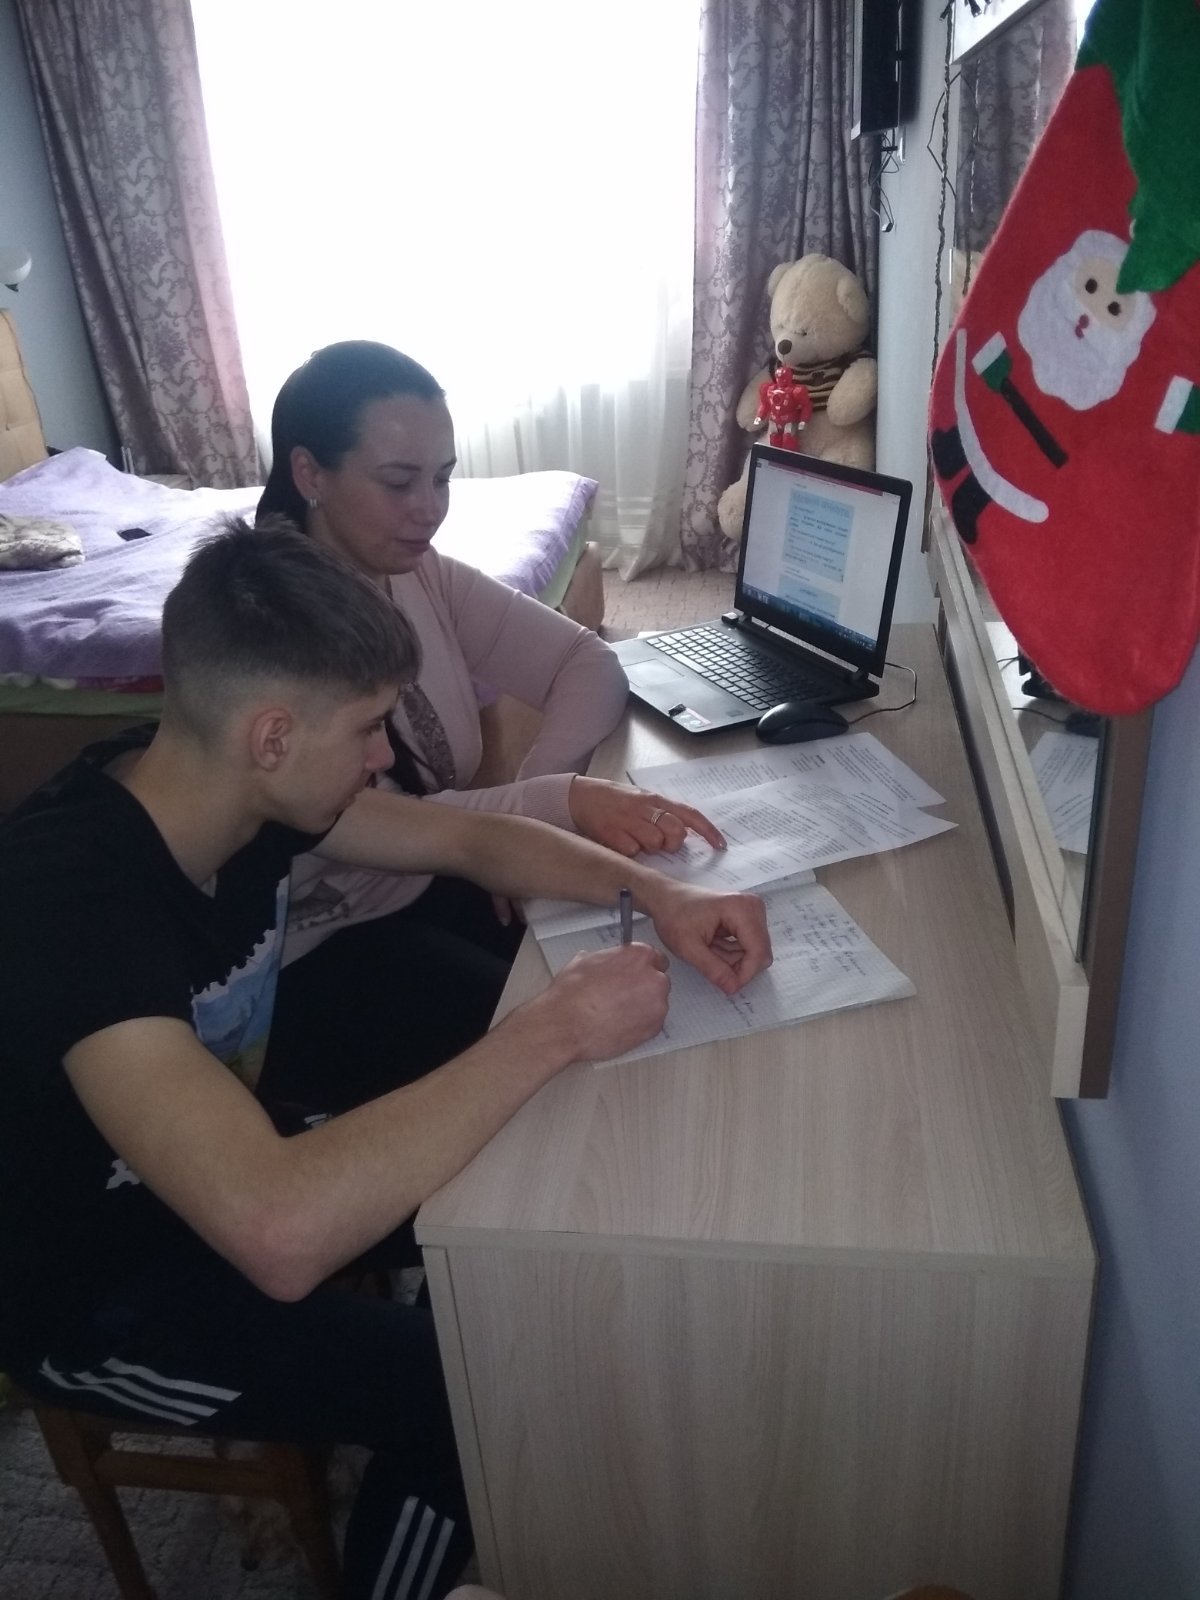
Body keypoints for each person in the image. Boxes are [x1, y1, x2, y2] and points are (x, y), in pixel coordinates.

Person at [0, 520, 771, 1600]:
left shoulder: (229, 780)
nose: (382, 757)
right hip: (96, 1288)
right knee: (466, 1395)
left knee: (529, 1199)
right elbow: (280, 1233)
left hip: (217, 1170)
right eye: (368, 729)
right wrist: (550, 1025)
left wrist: (659, 892)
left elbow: (464, 837)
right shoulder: (71, 903)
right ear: (273, 735)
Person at [256, 339, 725, 1085]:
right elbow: (362, 824)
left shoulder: (415, 574)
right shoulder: (271, 637)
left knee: (649, 967)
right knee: (592, 1058)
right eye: (399, 481)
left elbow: (588, 664)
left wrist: (534, 806)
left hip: (444, 877)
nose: (430, 510)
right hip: (334, 939)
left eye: (442, 478)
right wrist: (548, 808)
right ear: (310, 473)